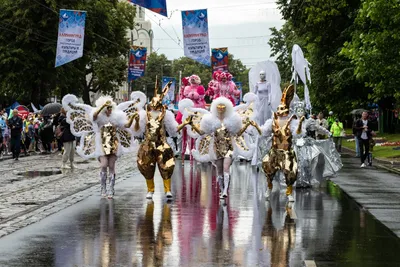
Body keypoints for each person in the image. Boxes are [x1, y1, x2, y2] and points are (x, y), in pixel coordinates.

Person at [62, 94, 137, 198]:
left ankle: (111, 189)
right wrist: (102, 107)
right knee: (103, 165)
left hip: (113, 144)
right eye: (107, 108)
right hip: (102, 144)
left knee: (111, 166)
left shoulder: (117, 117)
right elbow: (93, 117)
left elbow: (126, 125)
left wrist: (133, 117)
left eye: (110, 107)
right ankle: (103, 188)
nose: (109, 110)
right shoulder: (99, 117)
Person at [187, 96, 261, 199]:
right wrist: (192, 125)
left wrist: (247, 124)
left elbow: (238, 133)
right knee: (220, 171)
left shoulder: (233, 120)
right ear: (215, 108)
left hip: (229, 148)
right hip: (216, 149)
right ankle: (222, 190)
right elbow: (201, 132)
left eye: (223, 107)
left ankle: (225, 190)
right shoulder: (209, 121)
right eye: (219, 107)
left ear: (227, 108)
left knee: (226, 168)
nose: (221, 109)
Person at [129, 82, 185, 200]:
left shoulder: (167, 114)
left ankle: (168, 190)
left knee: (166, 166)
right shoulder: (144, 114)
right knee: (146, 166)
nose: (154, 106)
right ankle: (150, 190)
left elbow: (173, 130)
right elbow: (138, 131)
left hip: (162, 144)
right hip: (148, 145)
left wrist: (184, 124)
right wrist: (137, 121)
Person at [260, 85, 305, 202]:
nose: (280, 111)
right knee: (268, 169)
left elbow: (298, 134)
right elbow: (264, 132)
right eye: (278, 108)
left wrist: (300, 123)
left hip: (286, 152)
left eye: (282, 108)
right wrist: (255, 127)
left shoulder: (292, 122)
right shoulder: (272, 121)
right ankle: (269, 187)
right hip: (274, 151)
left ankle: (289, 192)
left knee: (290, 173)